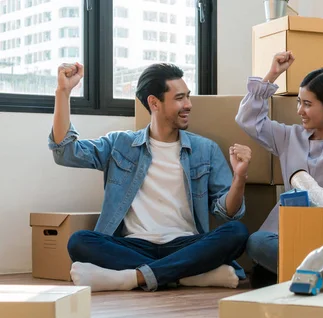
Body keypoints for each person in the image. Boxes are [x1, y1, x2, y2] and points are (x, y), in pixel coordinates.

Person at [49, 62, 251, 292]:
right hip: (133, 245)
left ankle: (132, 278)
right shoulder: (120, 144)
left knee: (237, 233)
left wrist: (240, 177)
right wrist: (62, 92)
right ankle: (185, 275)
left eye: (188, 97)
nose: (188, 105)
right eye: (179, 98)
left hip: (184, 245)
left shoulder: (206, 149)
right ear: (154, 103)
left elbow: (229, 213)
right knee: (80, 241)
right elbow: (66, 153)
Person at [235, 27, 323, 287]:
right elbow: (247, 120)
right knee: (256, 242)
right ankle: (319, 274)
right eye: (298, 102)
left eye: (307, 104)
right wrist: (272, 74)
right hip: (286, 230)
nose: (299, 110)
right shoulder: (289, 137)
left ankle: (296, 273)